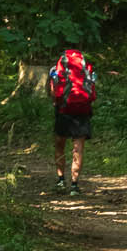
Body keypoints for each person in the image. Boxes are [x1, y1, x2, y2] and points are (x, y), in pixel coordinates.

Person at [48, 44, 98, 194]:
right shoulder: (86, 66)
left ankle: (61, 180)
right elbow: (92, 91)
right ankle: (74, 186)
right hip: (82, 111)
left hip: (64, 110)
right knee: (78, 149)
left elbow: (53, 92)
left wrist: (56, 102)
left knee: (59, 146)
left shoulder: (57, 68)